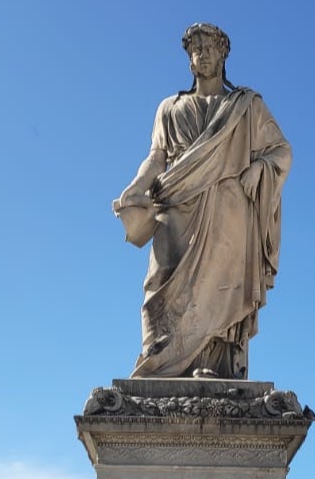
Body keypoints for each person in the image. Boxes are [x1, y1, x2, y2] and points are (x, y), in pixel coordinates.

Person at [113, 23, 292, 379]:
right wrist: (135, 188)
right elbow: (157, 157)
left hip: (227, 208)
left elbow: (281, 151)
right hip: (175, 203)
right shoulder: (170, 107)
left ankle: (212, 365)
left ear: (223, 56)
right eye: (196, 49)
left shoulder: (246, 105)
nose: (203, 54)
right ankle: (160, 364)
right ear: (189, 60)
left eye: (210, 47)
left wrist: (259, 166)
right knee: (159, 283)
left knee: (220, 288)